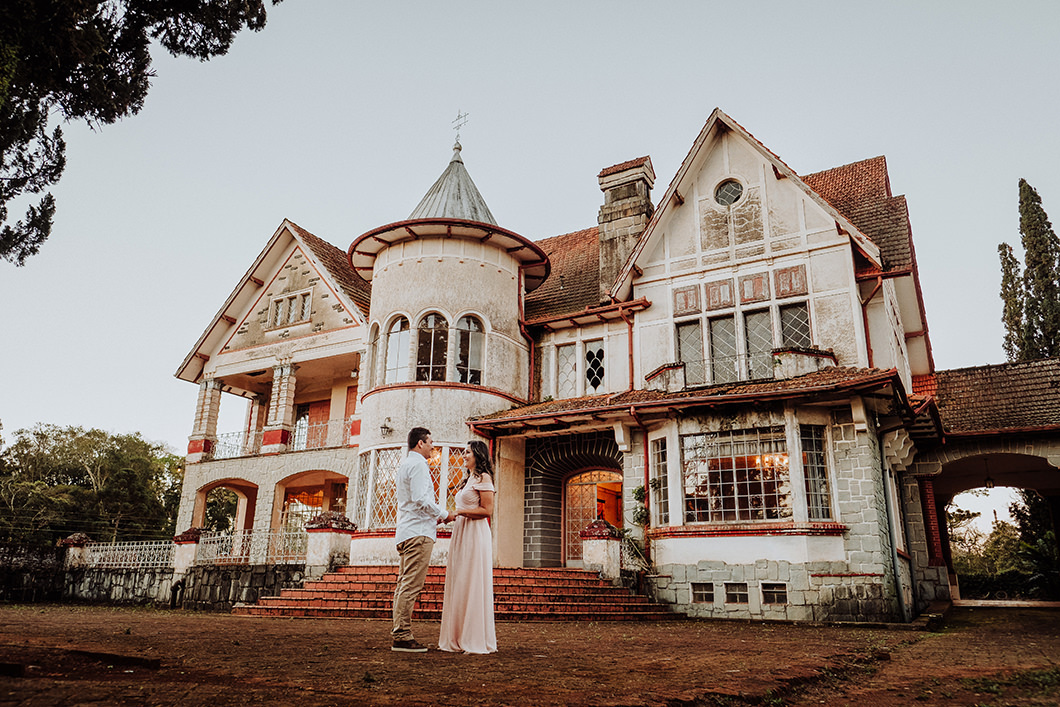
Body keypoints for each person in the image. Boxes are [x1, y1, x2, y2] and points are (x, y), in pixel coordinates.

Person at [392, 426, 452, 653]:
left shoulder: (406, 465)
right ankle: (402, 635)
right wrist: (444, 515)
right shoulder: (418, 465)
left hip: (409, 529)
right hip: (417, 534)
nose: (433, 447)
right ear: (420, 443)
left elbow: (413, 502)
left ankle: (400, 632)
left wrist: (433, 518)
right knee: (411, 585)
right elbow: (420, 499)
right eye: (430, 442)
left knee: (404, 584)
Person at [438, 440, 497, 654]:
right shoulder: (468, 480)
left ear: (478, 455)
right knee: (460, 580)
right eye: (464, 452)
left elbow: (487, 510)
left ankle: (473, 637)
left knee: (472, 579)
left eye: (467, 452)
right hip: (461, 531)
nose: (464, 455)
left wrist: (460, 513)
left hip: (475, 533)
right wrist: (449, 516)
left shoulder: (484, 478)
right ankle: (457, 636)